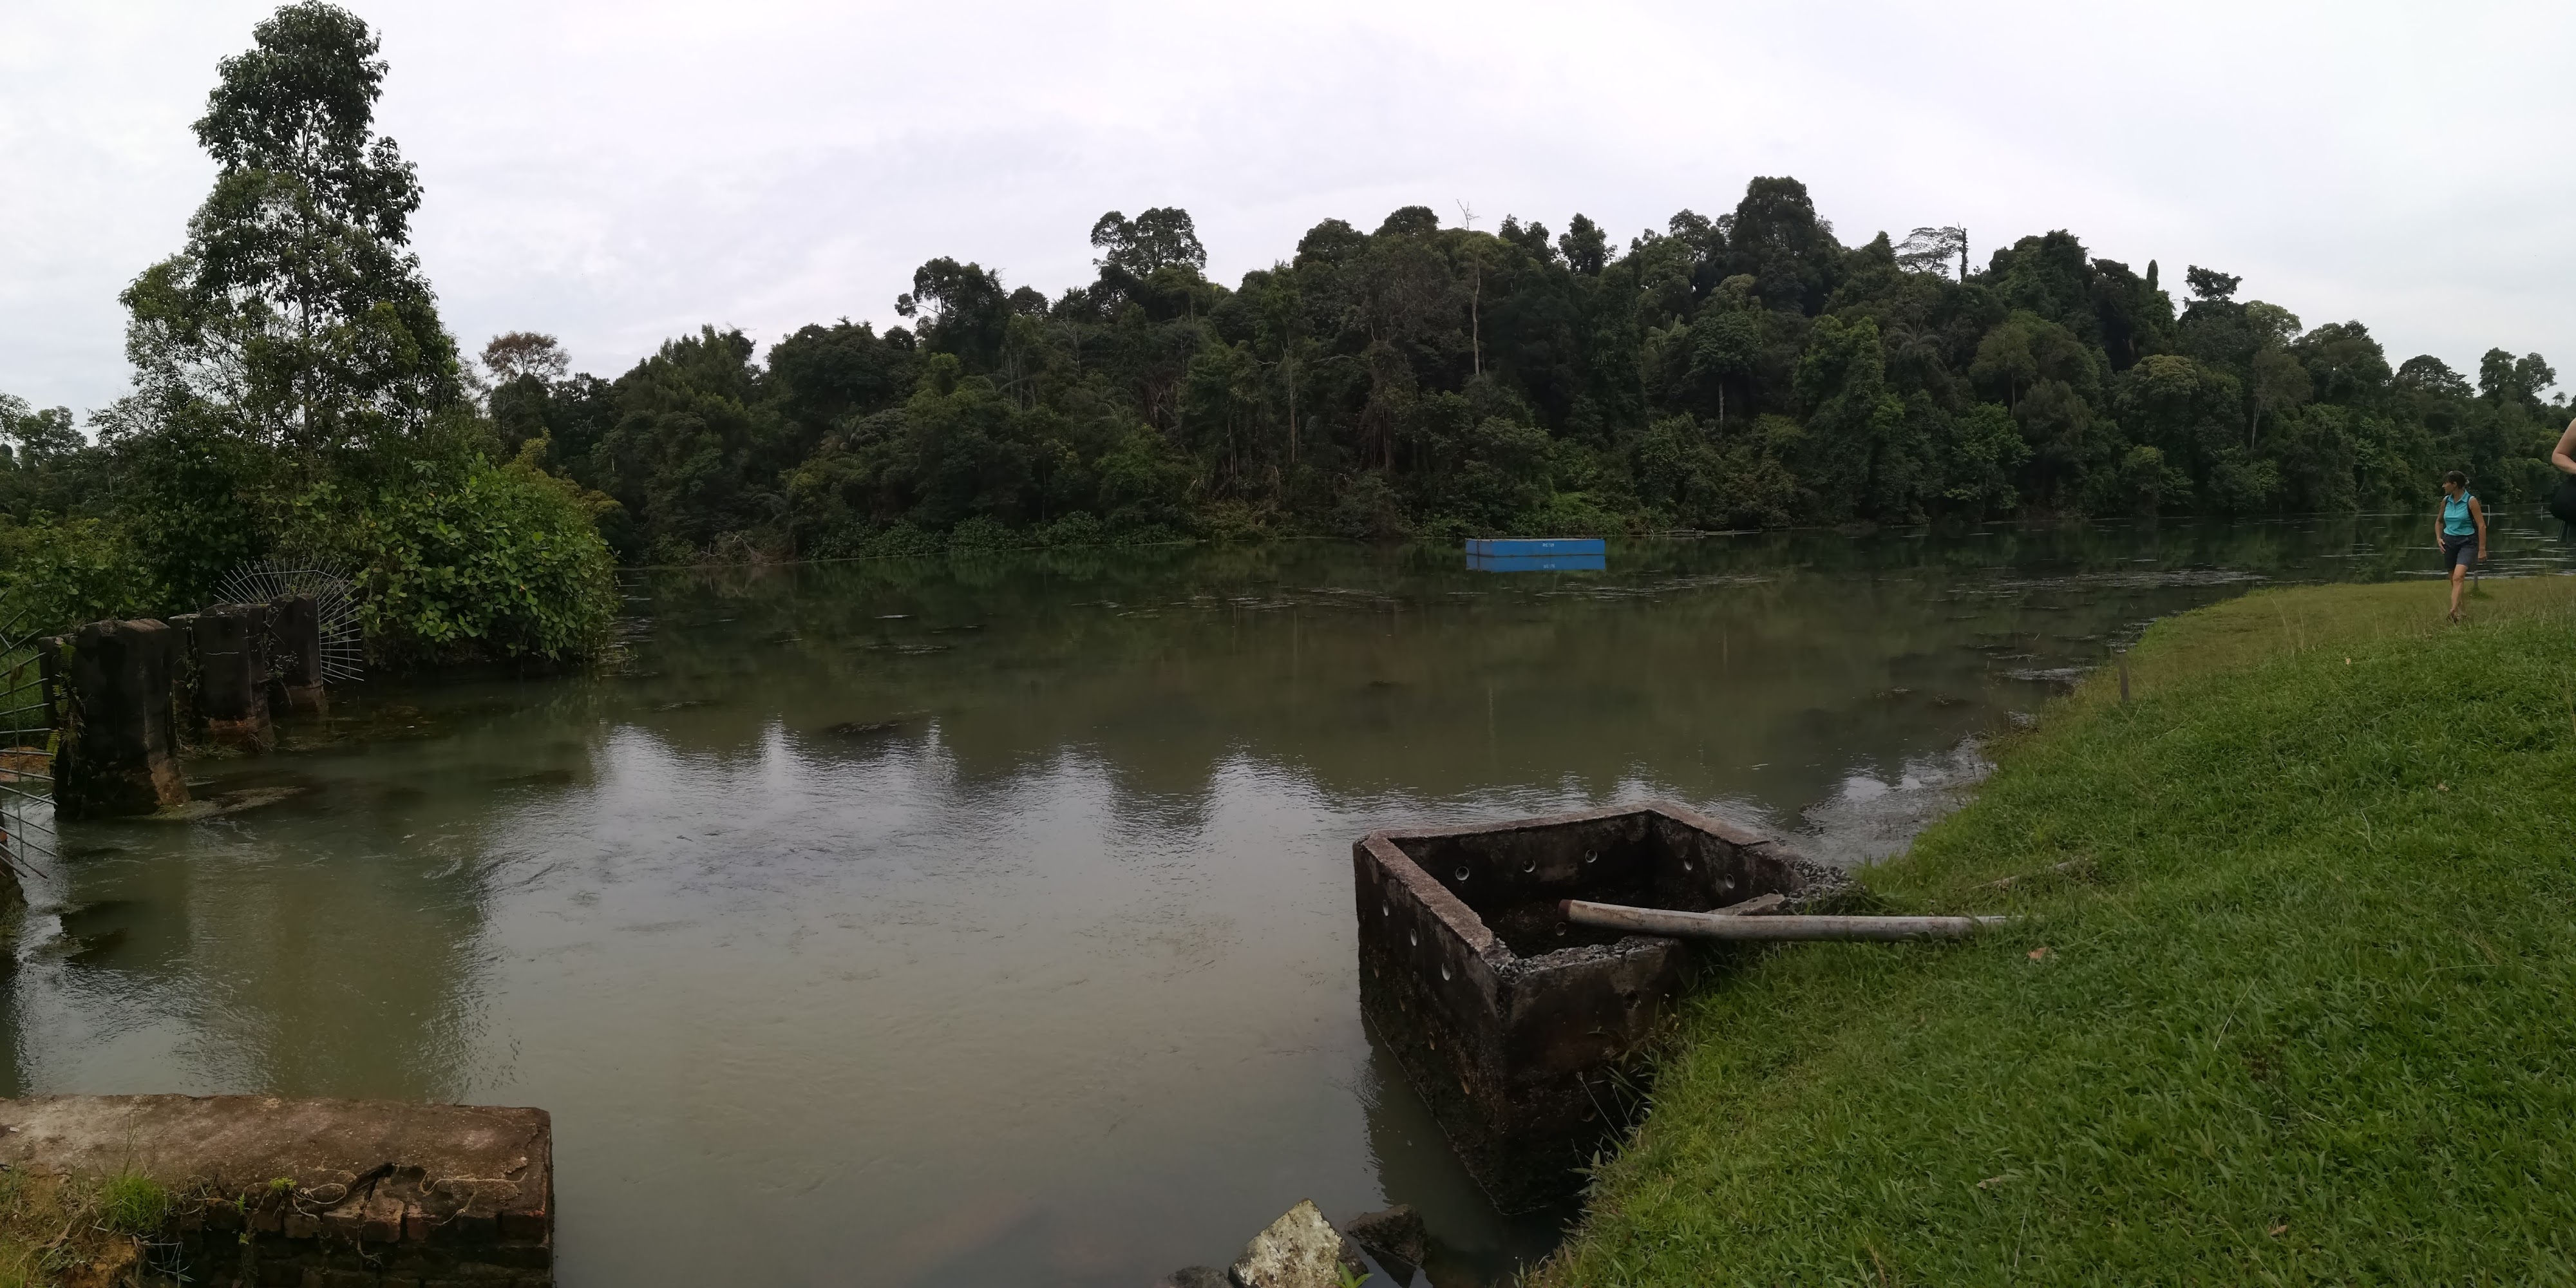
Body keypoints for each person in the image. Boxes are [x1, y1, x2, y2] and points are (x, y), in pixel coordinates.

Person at [2437, 470, 2486, 622]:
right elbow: (2439, 521)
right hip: (2449, 542)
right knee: (2454, 581)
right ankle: (2462, 613)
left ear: (2454, 484)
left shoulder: (2471, 501)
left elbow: (2481, 525)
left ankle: (2452, 612)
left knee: (2459, 576)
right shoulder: (2446, 501)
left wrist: (2482, 549)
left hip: (2467, 542)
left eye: (2446, 483)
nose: (2443, 486)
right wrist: (2439, 538)